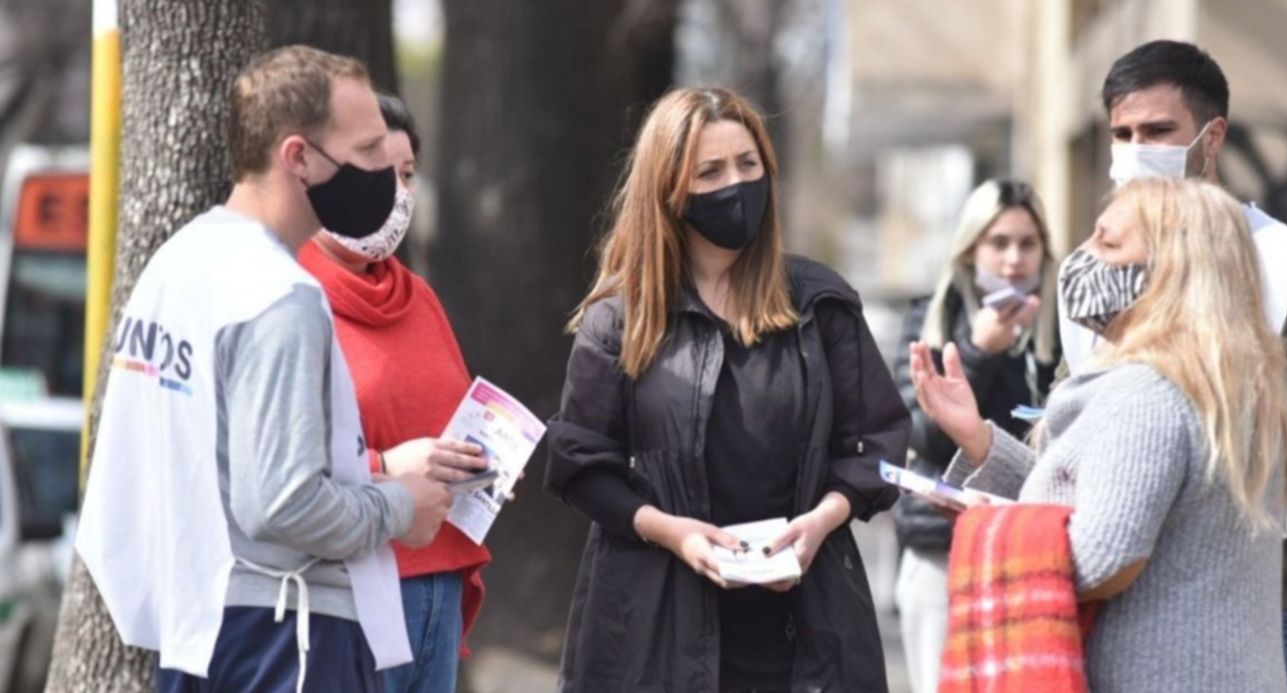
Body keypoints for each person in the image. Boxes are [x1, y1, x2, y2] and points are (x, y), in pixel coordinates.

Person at [75, 46, 455, 692]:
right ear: (298, 156)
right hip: (286, 638)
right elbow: (282, 503)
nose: (385, 174)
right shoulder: (280, 293)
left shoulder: (182, 260)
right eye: (366, 151)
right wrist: (400, 504)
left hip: (202, 620)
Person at [543, 86, 910, 693]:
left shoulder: (820, 303)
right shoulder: (621, 316)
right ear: (668, 191)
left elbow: (877, 440)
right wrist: (672, 531)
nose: (735, 185)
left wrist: (822, 520)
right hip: (657, 623)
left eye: (748, 164)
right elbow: (582, 464)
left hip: (804, 621)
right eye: (709, 171)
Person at [914, 177, 1287, 692]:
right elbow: (1115, 496)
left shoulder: (1147, 393)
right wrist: (980, 442)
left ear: (1169, 272)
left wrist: (992, 528)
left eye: (1108, 243)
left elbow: (1105, 555)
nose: (1081, 255)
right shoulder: (1223, 382)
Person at [1062, 40, 1287, 693]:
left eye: (1157, 130)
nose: (1136, 148)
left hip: (1252, 611)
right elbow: (1076, 428)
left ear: (1212, 135)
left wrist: (1181, 456)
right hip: (1110, 601)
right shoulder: (1096, 268)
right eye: (1122, 133)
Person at [297, 92, 491, 693]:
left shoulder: (418, 298)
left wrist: (482, 469)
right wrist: (386, 467)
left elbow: (448, 420)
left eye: (407, 175)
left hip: (439, 579)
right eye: (381, 174)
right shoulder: (291, 295)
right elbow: (276, 472)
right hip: (349, 592)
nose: (398, 193)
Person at [890, 178, 1059, 692]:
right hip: (943, 550)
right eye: (998, 243)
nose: (1013, 260)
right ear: (970, 251)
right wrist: (978, 351)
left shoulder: (1058, 329)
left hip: (1032, 548)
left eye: (1027, 244)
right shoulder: (931, 319)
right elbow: (919, 435)